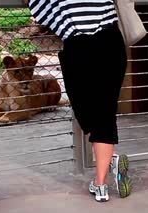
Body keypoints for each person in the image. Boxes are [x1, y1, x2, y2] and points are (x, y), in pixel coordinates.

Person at [27, 0, 132, 202]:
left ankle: (100, 184)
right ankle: (110, 160)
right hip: (111, 43)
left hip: (79, 47)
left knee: (89, 115)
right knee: (104, 114)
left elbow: (41, 11)